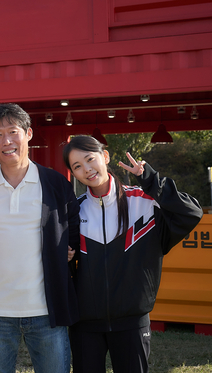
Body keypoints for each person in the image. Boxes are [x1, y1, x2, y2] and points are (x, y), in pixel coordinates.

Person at [62, 135, 203, 373]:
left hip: (132, 322)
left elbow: (191, 213)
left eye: (90, 159)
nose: (86, 169)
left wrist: (151, 180)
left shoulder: (145, 202)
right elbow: (65, 267)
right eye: (77, 166)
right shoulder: (73, 211)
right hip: (84, 325)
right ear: (73, 174)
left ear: (104, 157)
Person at [0, 103, 80, 373]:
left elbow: (74, 223)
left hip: (46, 310)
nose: (7, 141)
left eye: (13, 132)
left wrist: (71, 246)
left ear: (28, 134)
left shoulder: (54, 183)